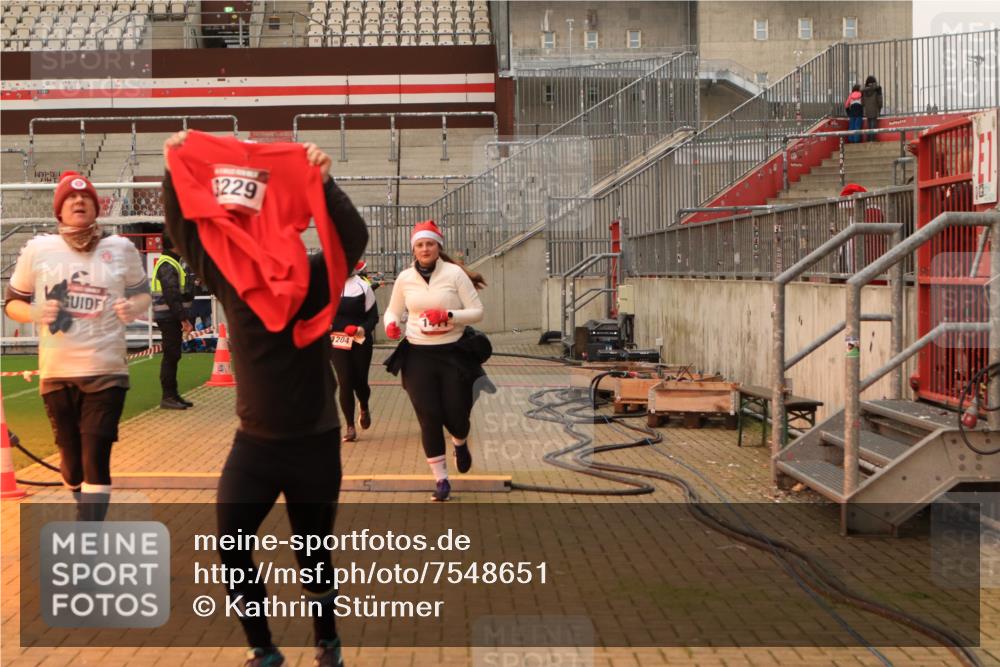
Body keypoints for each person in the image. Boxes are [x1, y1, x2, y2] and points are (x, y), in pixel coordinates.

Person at [162, 130, 367, 667]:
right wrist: (175, 163)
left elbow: (352, 240)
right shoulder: (235, 281)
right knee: (231, 546)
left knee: (313, 555)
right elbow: (185, 231)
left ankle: (327, 642)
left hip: (316, 445)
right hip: (254, 446)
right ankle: (263, 648)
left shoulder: (318, 280)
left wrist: (325, 183)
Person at [4, 171, 150, 521]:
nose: (78, 202)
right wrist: (37, 312)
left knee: (95, 455)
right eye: (70, 198)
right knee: (71, 465)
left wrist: (135, 307)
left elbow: (143, 293)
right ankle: (80, 501)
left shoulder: (120, 248)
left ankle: (88, 539)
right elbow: (12, 303)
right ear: (59, 210)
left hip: (107, 370)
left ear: (97, 207)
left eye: (85, 198)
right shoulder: (39, 250)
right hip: (57, 372)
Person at [383, 220, 486, 502]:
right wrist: (391, 325)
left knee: (456, 416)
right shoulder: (405, 278)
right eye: (419, 245)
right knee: (428, 417)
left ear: (438, 246)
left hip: (452, 353)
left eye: (429, 244)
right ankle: (441, 480)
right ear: (413, 250)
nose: (425, 249)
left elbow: (477, 311)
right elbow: (392, 311)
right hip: (418, 355)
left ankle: (460, 442)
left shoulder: (454, 274)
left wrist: (449, 315)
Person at [331, 260, 379, 442]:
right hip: (337, 342)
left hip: (360, 341)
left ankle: (364, 405)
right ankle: (350, 426)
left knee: (360, 382)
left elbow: (373, 317)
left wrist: (361, 329)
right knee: (345, 381)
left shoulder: (363, 286)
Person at [150, 232, 194, 409]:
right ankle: (168, 396)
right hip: (169, 317)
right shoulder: (168, 264)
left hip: (170, 316)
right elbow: (172, 294)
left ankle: (173, 395)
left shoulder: (172, 262)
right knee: (171, 355)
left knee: (174, 354)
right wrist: (183, 318)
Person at [862, 75, 883, 142]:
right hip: (874, 109)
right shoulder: (877, 90)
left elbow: (862, 102)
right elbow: (879, 100)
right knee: (873, 125)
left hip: (867, 110)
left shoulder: (864, 91)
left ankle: (869, 139)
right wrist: (880, 107)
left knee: (869, 125)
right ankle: (872, 139)